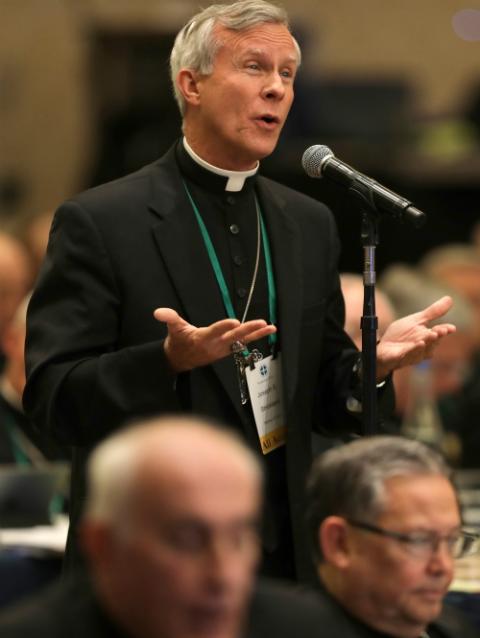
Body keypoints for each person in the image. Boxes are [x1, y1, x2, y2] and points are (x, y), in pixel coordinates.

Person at [23, 0, 455, 583]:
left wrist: (370, 370)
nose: (276, 89)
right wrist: (166, 361)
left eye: (287, 74)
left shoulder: (307, 223)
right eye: (254, 68)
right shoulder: (102, 221)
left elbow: (324, 398)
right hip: (155, 560)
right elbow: (53, 401)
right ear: (191, 84)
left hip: (283, 558)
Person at [0, 415, 329, 638]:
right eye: (188, 540)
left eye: (240, 537)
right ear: (102, 544)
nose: (224, 575)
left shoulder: (303, 627)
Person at [305, 435, 479, 637]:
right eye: (418, 540)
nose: (444, 567)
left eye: (451, 540)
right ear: (340, 543)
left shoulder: (454, 628)